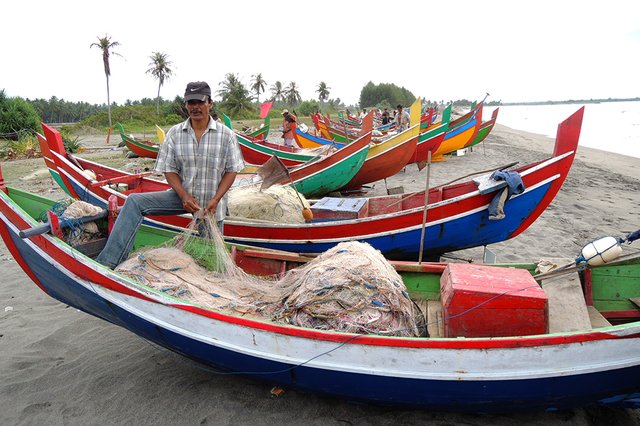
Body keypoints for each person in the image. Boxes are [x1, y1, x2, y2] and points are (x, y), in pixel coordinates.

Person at [96, 81, 245, 269]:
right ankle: (108, 263)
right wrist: (183, 196)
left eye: (200, 102)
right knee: (134, 202)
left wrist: (216, 199)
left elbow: (232, 170)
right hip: (180, 197)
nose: (195, 107)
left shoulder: (226, 135)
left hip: (211, 206)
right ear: (185, 105)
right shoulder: (175, 133)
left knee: (212, 265)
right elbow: (169, 169)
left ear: (210, 103)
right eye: (191, 103)